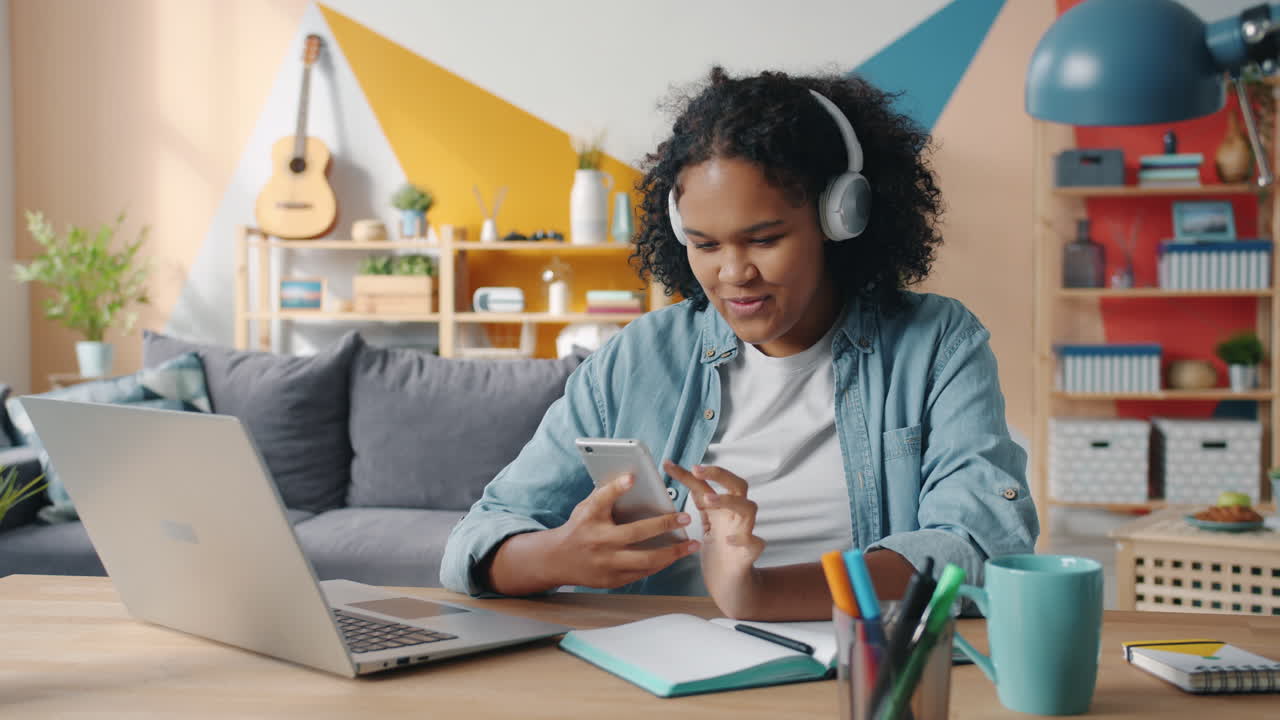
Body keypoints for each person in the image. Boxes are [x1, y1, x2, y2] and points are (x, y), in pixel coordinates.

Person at [440, 66, 1038, 620]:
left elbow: (981, 544)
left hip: (855, 663)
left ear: (841, 218)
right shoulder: (639, 356)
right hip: (660, 667)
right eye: (705, 245)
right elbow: (476, 537)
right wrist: (558, 556)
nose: (733, 273)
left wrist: (759, 593)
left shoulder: (934, 344)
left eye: (764, 239)